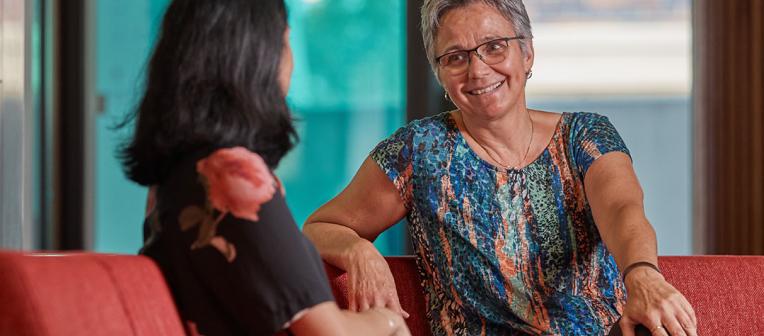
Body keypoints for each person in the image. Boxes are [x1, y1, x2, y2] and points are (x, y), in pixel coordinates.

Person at [303, 1, 697, 335]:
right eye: (455, 57)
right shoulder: (418, 150)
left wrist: (643, 273)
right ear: (439, 73)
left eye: (494, 47)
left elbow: (622, 207)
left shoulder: (584, 135)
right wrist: (358, 251)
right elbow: (320, 226)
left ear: (526, 53)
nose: (477, 71)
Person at [119, 0, 411, 335]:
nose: (292, 61)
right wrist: (387, 321)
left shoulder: (168, 183)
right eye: (285, 42)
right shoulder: (233, 175)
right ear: (258, 57)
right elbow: (330, 333)